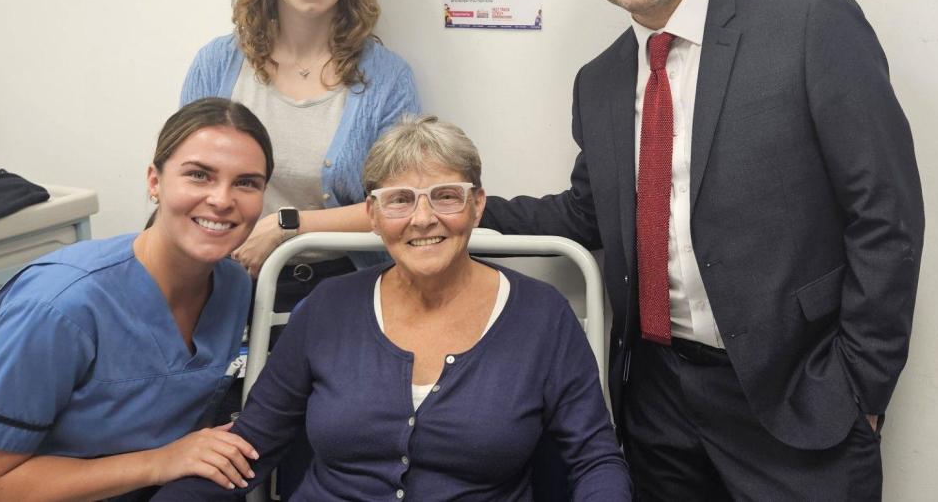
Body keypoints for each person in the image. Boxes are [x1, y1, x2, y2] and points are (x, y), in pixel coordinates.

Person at [478, 0, 925, 501]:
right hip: (657, 403)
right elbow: (588, 212)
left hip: (798, 398)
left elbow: (886, 215)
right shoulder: (598, 82)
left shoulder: (807, 25)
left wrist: (858, 383)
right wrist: (457, 205)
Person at [151, 115, 632, 501]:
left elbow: (594, 458)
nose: (424, 219)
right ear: (375, 215)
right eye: (399, 200)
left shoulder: (541, 317)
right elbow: (251, 446)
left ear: (477, 205)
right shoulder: (327, 308)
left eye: (446, 196)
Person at [0, 98, 273, 502]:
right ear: (154, 182)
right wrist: (160, 461)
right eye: (199, 175)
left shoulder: (233, 286)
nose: (221, 199)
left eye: (246, 182)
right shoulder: (60, 305)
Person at [181, 0, 419, 306]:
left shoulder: (388, 79)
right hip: (225, 284)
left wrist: (288, 225)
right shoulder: (216, 65)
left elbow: (401, 204)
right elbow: (183, 182)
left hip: (346, 290)